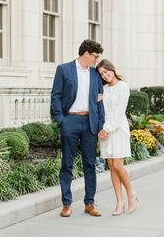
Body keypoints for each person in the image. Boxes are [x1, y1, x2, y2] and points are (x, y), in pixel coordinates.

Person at [51, 39, 104, 218]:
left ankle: (90, 203)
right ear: (86, 54)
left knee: (90, 164)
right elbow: (56, 96)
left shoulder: (95, 74)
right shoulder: (64, 69)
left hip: (89, 122)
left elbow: (99, 100)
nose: (97, 60)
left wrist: (100, 124)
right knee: (67, 164)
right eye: (95, 57)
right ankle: (66, 204)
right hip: (70, 121)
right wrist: (61, 120)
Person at [96, 59, 138, 215]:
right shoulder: (103, 89)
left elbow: (119, 111)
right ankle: (119, 202)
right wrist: (102, 129)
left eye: (106, 72)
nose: (105, 75)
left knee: (118, 165)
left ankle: (131, 196)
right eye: (102, 74)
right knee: (112, 166)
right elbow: (101, 110)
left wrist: (107, 129)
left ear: (112, 69)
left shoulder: (123, 86)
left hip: (118, 129)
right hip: (104, 131)